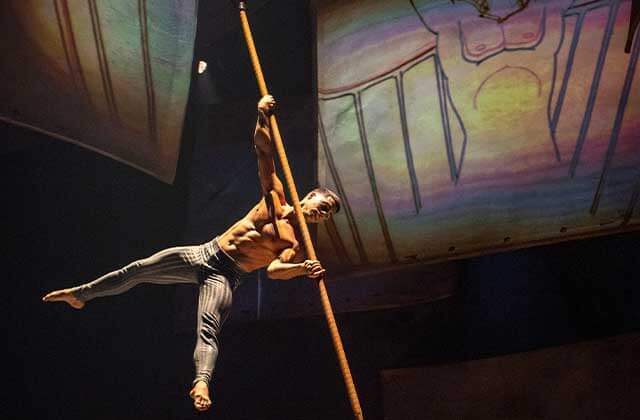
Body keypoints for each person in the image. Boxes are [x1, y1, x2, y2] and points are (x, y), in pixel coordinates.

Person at [42, 95, 341, 412]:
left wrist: (301, 269)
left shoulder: (294, 242)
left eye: (327, 215)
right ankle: (82, 294)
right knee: (138, 269)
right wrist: (261, 115)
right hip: (205, 252)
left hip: (226, 275)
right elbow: (263, 152)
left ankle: (201, 382)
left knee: (208, 328)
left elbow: (273, 271)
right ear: (310, 198)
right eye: (322, 207)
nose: (321, 215)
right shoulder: (275, 197)